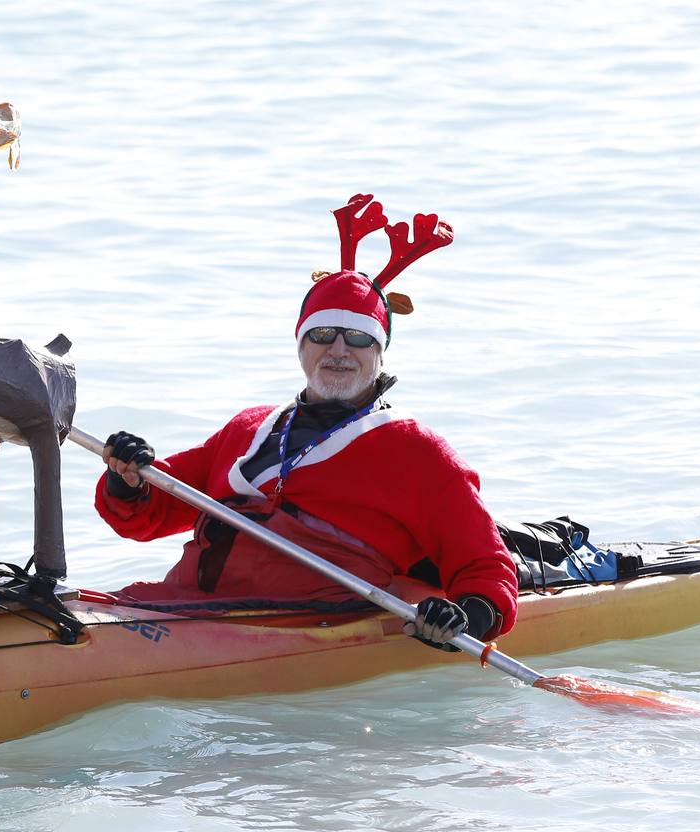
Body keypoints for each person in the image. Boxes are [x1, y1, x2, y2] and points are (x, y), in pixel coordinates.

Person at [95, 194, 518, 650]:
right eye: (322, 334)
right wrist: (127, 477)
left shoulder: (418, 452)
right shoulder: (248, 427)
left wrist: (468, 616)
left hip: (308, 626)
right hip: (177, 607)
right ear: (301, 346)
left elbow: (485, 566)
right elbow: (147, 515)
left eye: (358, 337)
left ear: (380, 352)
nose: (339, 350)